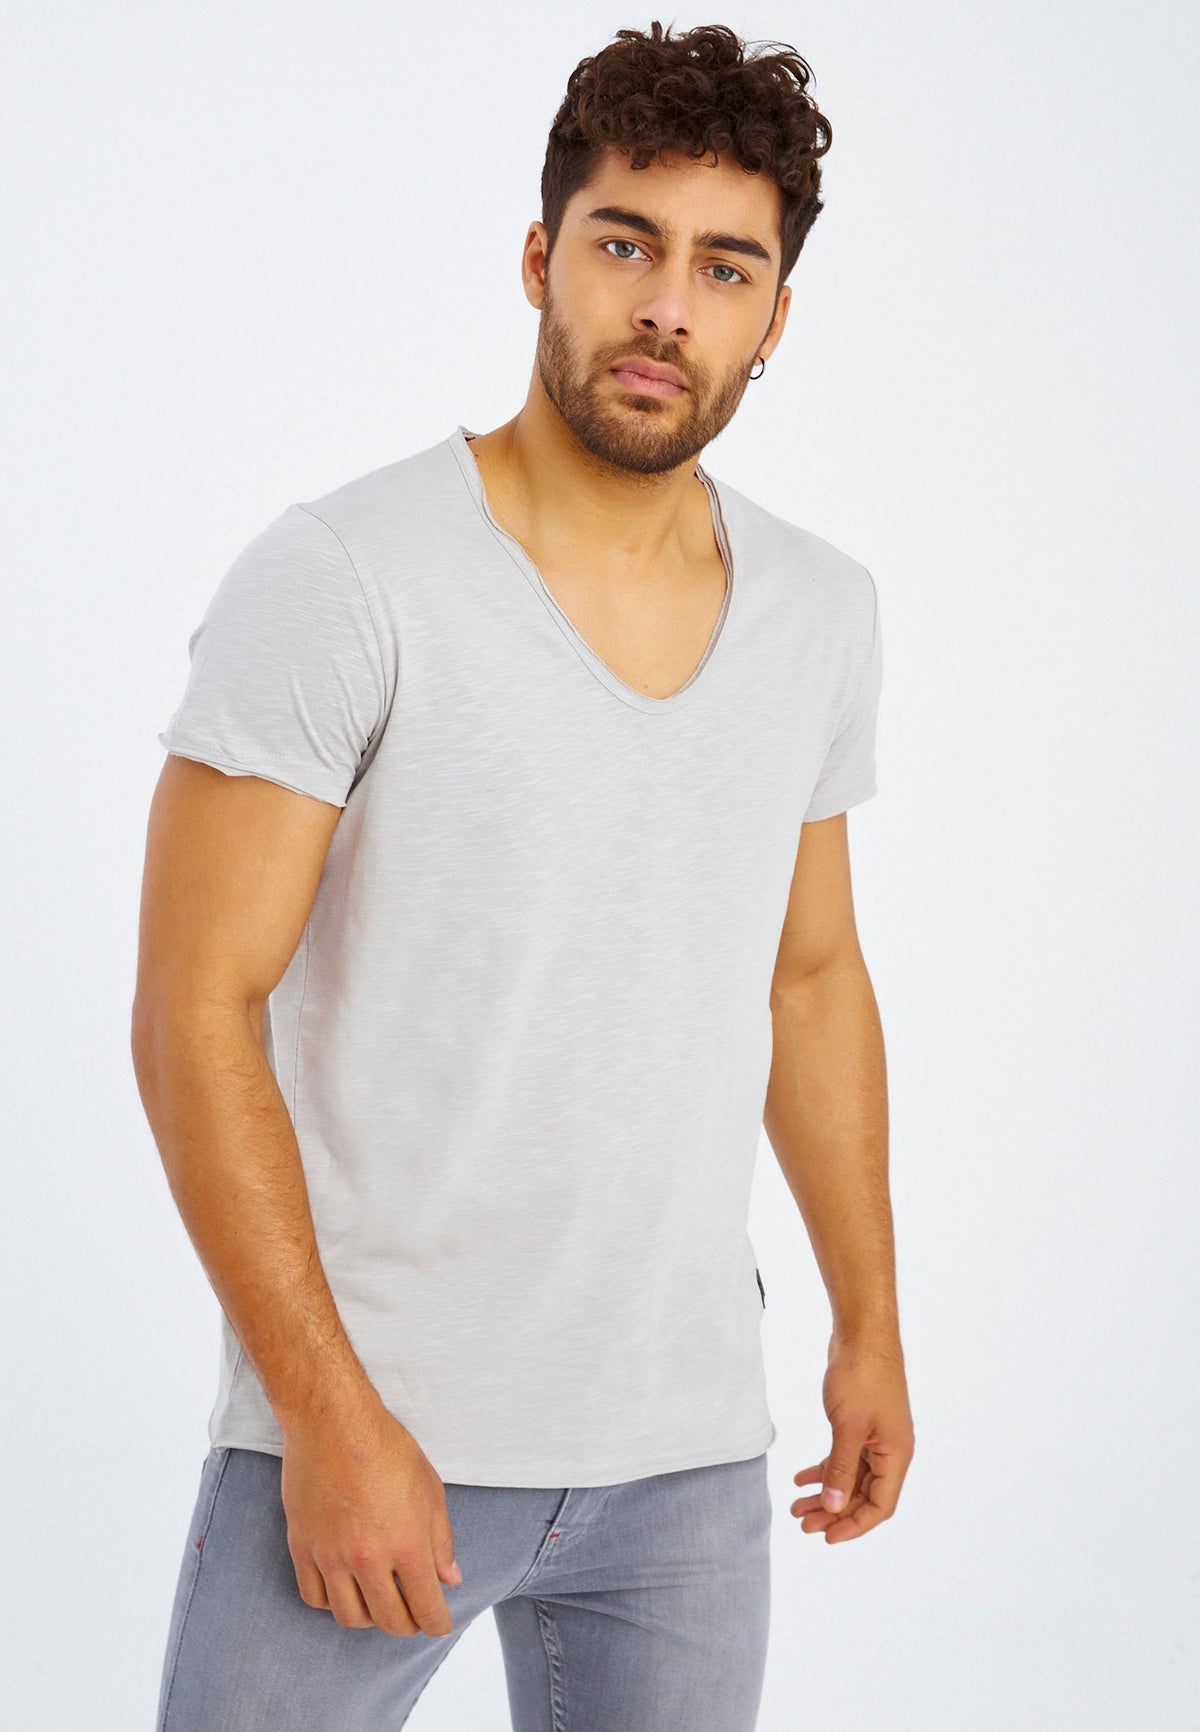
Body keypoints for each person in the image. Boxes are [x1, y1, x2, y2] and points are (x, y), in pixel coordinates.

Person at [133, 19, 914, 1730]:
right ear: (540, 255)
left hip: (686, 1461)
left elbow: (809, 979)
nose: (667, 307)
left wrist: (869, 1322)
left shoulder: (821, 612)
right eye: (626, 243)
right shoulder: (347, 576)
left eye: (725, 268)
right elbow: (196, 1005)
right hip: (369, 1441)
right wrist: (326, 1416)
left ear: (775, 319)